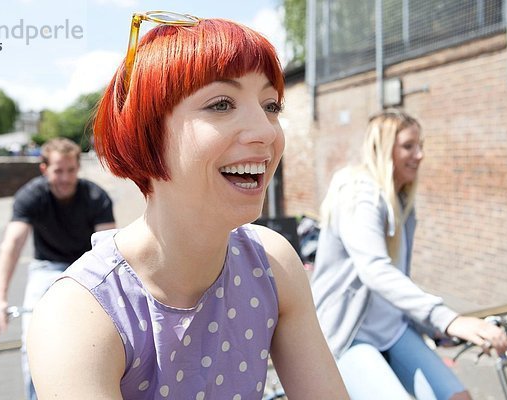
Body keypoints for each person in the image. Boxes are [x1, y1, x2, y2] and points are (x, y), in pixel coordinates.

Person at [27, 12, 349, 400]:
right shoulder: (80, 315)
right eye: (221, 104)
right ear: (146, 132)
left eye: (270, 105)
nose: (266, 131)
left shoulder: (273, 264)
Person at [311, 109, 507, 400]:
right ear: (381, 148)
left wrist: (435, 330)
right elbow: (374, 270)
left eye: (421, 146)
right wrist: (448, 319)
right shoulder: (358, 193)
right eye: (408, 146)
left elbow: (398, 279)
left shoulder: (401, 201)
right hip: (350, 335)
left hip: (393, 329)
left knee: (458, 397)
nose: (419, 155)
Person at [0, 137, 116, 400]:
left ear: (78, 168)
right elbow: (12, 244)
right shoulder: (31, 195)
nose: (65, 178)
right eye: (58, 171)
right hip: (47, 267)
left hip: (87, 265)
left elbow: (108, 252)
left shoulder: (96, 197)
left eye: (71, 170)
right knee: (34, 338)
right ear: (44, 169)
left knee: (103, 335)